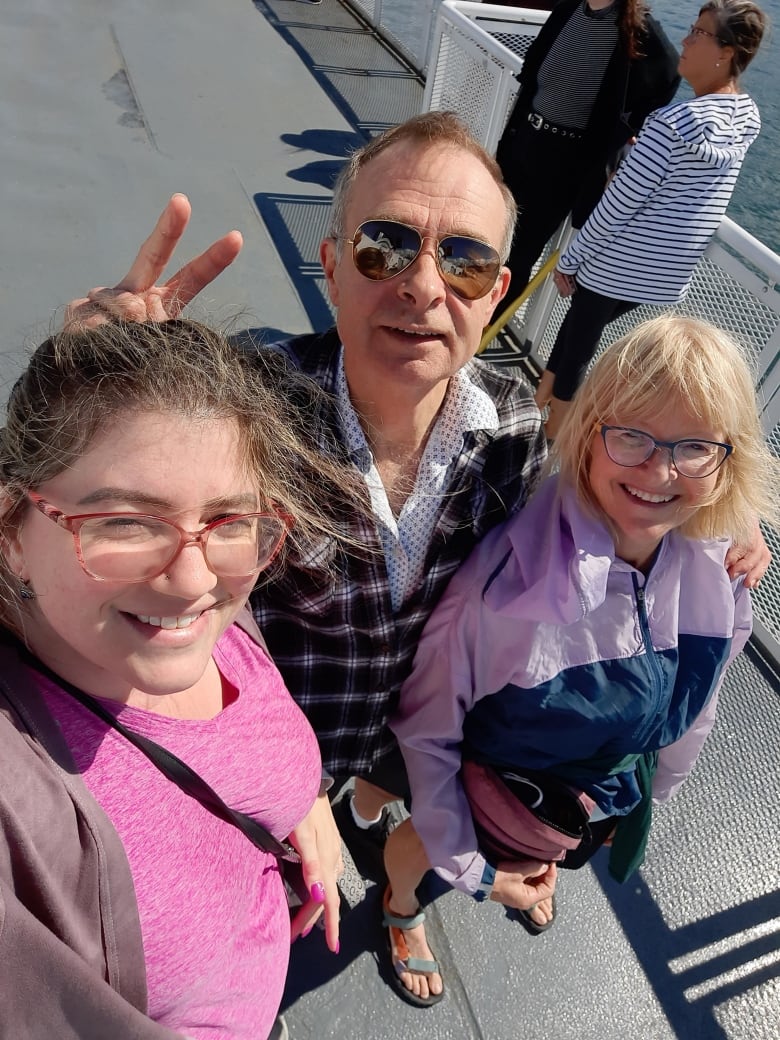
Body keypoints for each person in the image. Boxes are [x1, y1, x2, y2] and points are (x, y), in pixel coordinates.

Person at [62, 113, 769, 885]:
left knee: (390, 829)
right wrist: (94, 400)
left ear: (497, 290)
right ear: (331, 267)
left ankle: (386, 864)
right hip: (260, 757)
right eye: (385, 246)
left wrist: (713, 530)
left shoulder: (519, 434)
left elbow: (623, 495)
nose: (424, 285)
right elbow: (101, 536)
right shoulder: (240, 413)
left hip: (411, 733)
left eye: (464, 262)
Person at [381, 314, 779, 1006]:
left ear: (726, 462)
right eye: (631, 436)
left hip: (591, 787)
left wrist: (651, 797)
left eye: (693, 448)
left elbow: (698, 706)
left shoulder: (721, 577)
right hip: (493, 773)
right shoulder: (507, 585)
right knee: (417, 842)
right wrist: (473, 870)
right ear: (588, 433)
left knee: (546, 845)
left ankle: (532, 858)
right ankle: (399, 907)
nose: (659, 471)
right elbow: (428, 726)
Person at [0, 319, 366, 1038]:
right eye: (127, 522)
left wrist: (303, 801)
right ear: (12, 531)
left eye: (229, 517)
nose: (194, 579)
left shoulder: (215, 619)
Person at [539, 0, 767, 436]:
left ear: (727, 51)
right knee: (579, 328)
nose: (685, 39)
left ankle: (551, 441)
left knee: (578, 350)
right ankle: (540, 397)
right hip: (664, 272)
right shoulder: (746, 117)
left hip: (621, 260)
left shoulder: (672, 123)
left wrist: (572, 256)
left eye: (698, 33)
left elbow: (618, 205)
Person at [495, 0, 680, 307]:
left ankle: (483, 330)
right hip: (522, 139)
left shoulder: (637, 28)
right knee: (490, 234)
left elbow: (669, 74)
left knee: (520, 253)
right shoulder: (569, 9)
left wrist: (628, 131)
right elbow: (533, 75)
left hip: (563, 163)